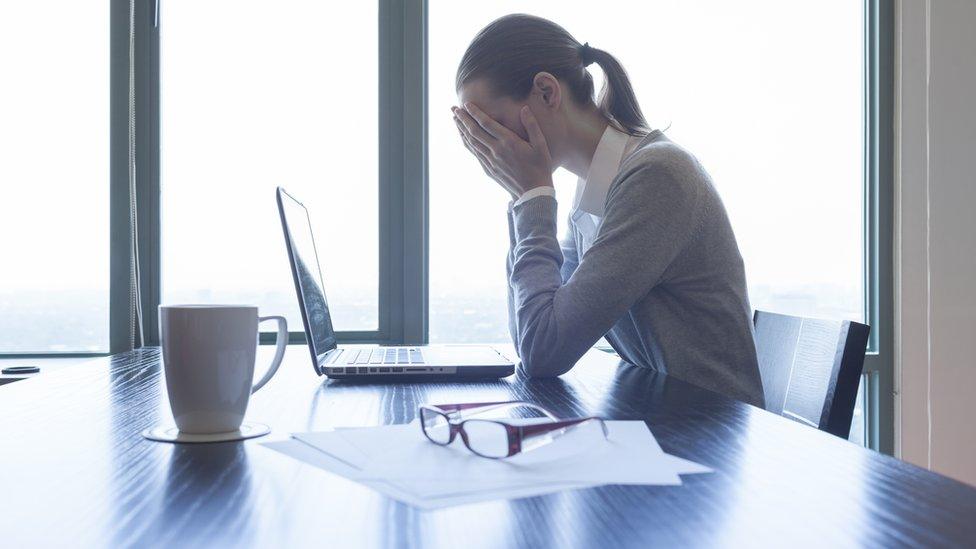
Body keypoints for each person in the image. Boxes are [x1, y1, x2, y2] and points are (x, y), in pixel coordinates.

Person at [451, 14, 764, 407]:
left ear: (547, 92)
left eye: (491, 126)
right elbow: (533, 332)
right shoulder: (595, 186)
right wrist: (522, 199)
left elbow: (545, 351)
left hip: (708, 434)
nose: (490, 148)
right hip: (664, 419)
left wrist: (531, 197)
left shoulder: (656, 176)